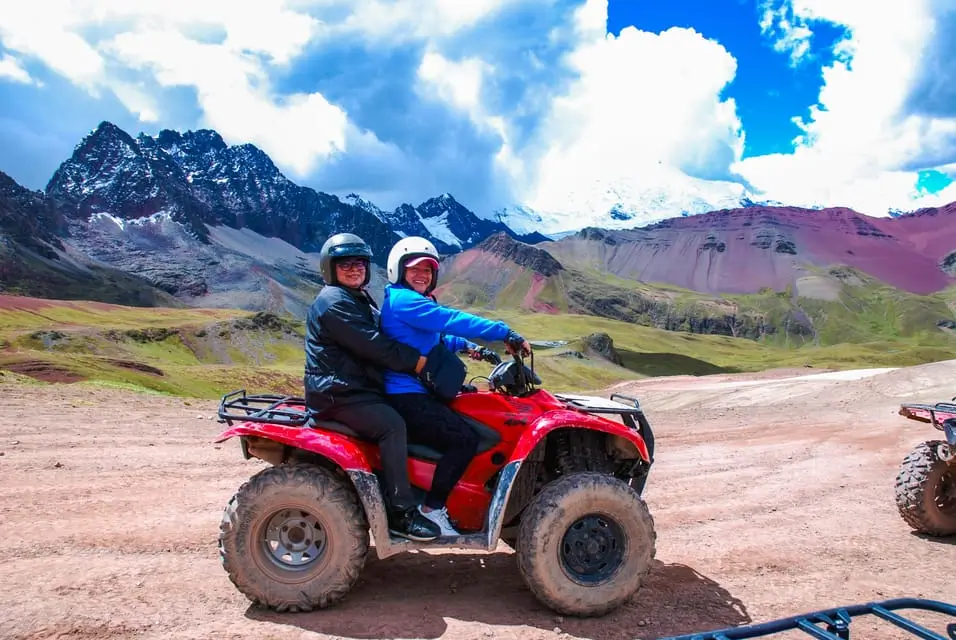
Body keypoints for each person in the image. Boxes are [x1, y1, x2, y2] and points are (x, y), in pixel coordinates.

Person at [379, 236, 531, 537]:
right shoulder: (403, 301)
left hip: (419, 391)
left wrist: (470, 347)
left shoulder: (410, 302)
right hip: (407, 396)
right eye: (414, 269)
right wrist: (503, 333)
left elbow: (436, 338)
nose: (422, 274)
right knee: (463, 439)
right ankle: (432, 510)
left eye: (428, 269)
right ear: (398, 271)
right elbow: (449, 320)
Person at [304, 232, 441, 542]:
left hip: (351, 387)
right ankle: (401, 512)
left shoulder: (356, 297)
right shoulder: (333, 301)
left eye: (360, 263)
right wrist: (419, 363)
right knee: (392, 425)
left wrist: (449, 346)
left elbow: (390, 333)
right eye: (345, 264)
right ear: (330, 268)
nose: (354, 269)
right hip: (339, 393)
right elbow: (376, 346)